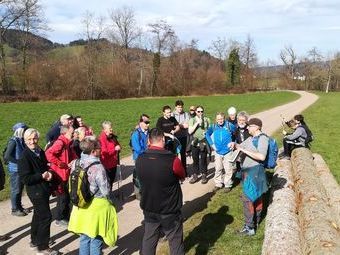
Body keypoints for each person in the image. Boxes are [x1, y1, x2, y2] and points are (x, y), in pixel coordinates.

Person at [136, 128, 185, 255]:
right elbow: (182, 175)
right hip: (169, 209)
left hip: (149, 206)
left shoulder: (140, 159)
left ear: (148, 141)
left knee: (149, 240)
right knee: (175, 242)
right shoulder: (172, 159)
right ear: (163, 139)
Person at [68, 137, 118, 255]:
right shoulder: (98, 167)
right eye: (99, 148)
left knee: (84, 237)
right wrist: (112, 202)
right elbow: (105, 190)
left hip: (81, 203)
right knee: (96, 238)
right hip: (96, 206)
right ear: (93, 151)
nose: (101, 150)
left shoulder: (76, 162)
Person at [18, 128, 59, 255]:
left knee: (38, 214)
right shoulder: (24, 156)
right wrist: (41, 176)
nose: (32, 141)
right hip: (35, 191)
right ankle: (43, 248)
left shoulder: (39, 151)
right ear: (24, 141)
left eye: (34, 138)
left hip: (43, 189)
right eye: (29, 139)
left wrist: (50, 173)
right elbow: (25, 179)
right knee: (46, 217)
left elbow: (46, 166)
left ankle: (34, 241)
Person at [235, 118, 269, 236]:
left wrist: (243, 150)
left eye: (249, 126)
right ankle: (255, 222)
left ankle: (249, 227)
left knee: (248, 199)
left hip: (255, 172)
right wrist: (234, 144)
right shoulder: (250, 138)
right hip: (247, 171)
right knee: (254, 197)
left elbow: (261, 156)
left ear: (257, 127)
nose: (247, 127)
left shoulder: (263, 139)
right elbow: (240, 146)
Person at [45, 125, 77, 227]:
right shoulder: (60, 143)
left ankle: (65, 217)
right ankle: (59, 218)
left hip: (65, 174)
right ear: (64, 133)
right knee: (62, 198)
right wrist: (61, 164)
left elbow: (72, 155)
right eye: (72, 133)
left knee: (66, 197)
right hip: (59, 175)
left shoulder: (68, 142)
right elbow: (48, 154)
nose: (73, 134)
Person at [3, 122, 29, 216]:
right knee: (16, 189)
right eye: (25, 130)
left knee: (20, 188)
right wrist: (19, 162)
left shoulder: (21, 140)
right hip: (15, 170)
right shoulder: (13, 141)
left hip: (20, 169)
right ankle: (15, 209)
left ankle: (19, 207)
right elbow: (7, 156)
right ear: (20, 131)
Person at [205, 112, 236, 192]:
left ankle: (228, 184)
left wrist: (233, 142)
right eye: (218, 119)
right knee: (218, 168)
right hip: (218, 151)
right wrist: (212, 144)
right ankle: (218, 184)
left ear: (224, 118)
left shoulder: (229, 125)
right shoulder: (213, 126)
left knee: (228, 168)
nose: (220, 120)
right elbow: (207, 134)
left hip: (228, 151)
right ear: (216, 120)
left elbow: (236, 133)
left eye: (221, 119)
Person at [188, 105, 211, 184]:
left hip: (203, 142)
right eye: (198, 111)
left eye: (201, 111)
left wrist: (207, 133)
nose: (200, 113)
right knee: (195, 160)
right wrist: (197, 123)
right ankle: (195, 175)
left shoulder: (207, 119)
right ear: (195, 112)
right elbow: (190, 131)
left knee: (204, 160)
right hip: (195, 142)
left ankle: (204, 175)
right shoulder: (192, 120)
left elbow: (209, 130)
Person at [131, 114, 150, 199]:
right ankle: (138, 194)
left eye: (148, 122)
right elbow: (137, 149)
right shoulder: (135, 134)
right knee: (138, 176)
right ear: (140, 123)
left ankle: (146, 191)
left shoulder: (149, 132)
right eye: (146, 122)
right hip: (139, 158)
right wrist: (148, 148)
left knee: (147, 175)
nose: (148, 124)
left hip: (148, 157)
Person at [99, 121, 121, 188]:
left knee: (111, 180)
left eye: (111, 127)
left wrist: (119, 148)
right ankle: (109, 196)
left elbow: (117, 145)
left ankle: (111, 195)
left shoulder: (112, 136)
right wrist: (115, 149)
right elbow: (105, 153)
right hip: (107, 165)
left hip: (113, 162)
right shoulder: (102, 139)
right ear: (104, 130)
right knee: (108, 183)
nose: (111, 129)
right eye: (110, 128)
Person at [172, 100, 190, 171]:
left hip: (183, 136)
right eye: (178, 107)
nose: (180, 108)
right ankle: (176, 171)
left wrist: (178, 125)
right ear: (175, 107)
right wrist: (182, 125)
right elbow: (172, 126)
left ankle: (184, 170)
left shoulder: (186, 114)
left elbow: (187, 125)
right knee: (175, 155)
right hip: (175, 137)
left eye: (181, 107)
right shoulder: (172, 115)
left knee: (183, 154)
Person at [233, 111, 251, 179]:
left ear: (246, 120)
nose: (241, 122)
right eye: (240, 120)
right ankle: (239, 173)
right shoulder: (235, 128)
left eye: (243, 120)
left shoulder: (249, 128)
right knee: (239, 163)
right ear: (237, 120)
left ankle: (248, 176)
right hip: (239, 150)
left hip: (248, 150)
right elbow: (232, 139)